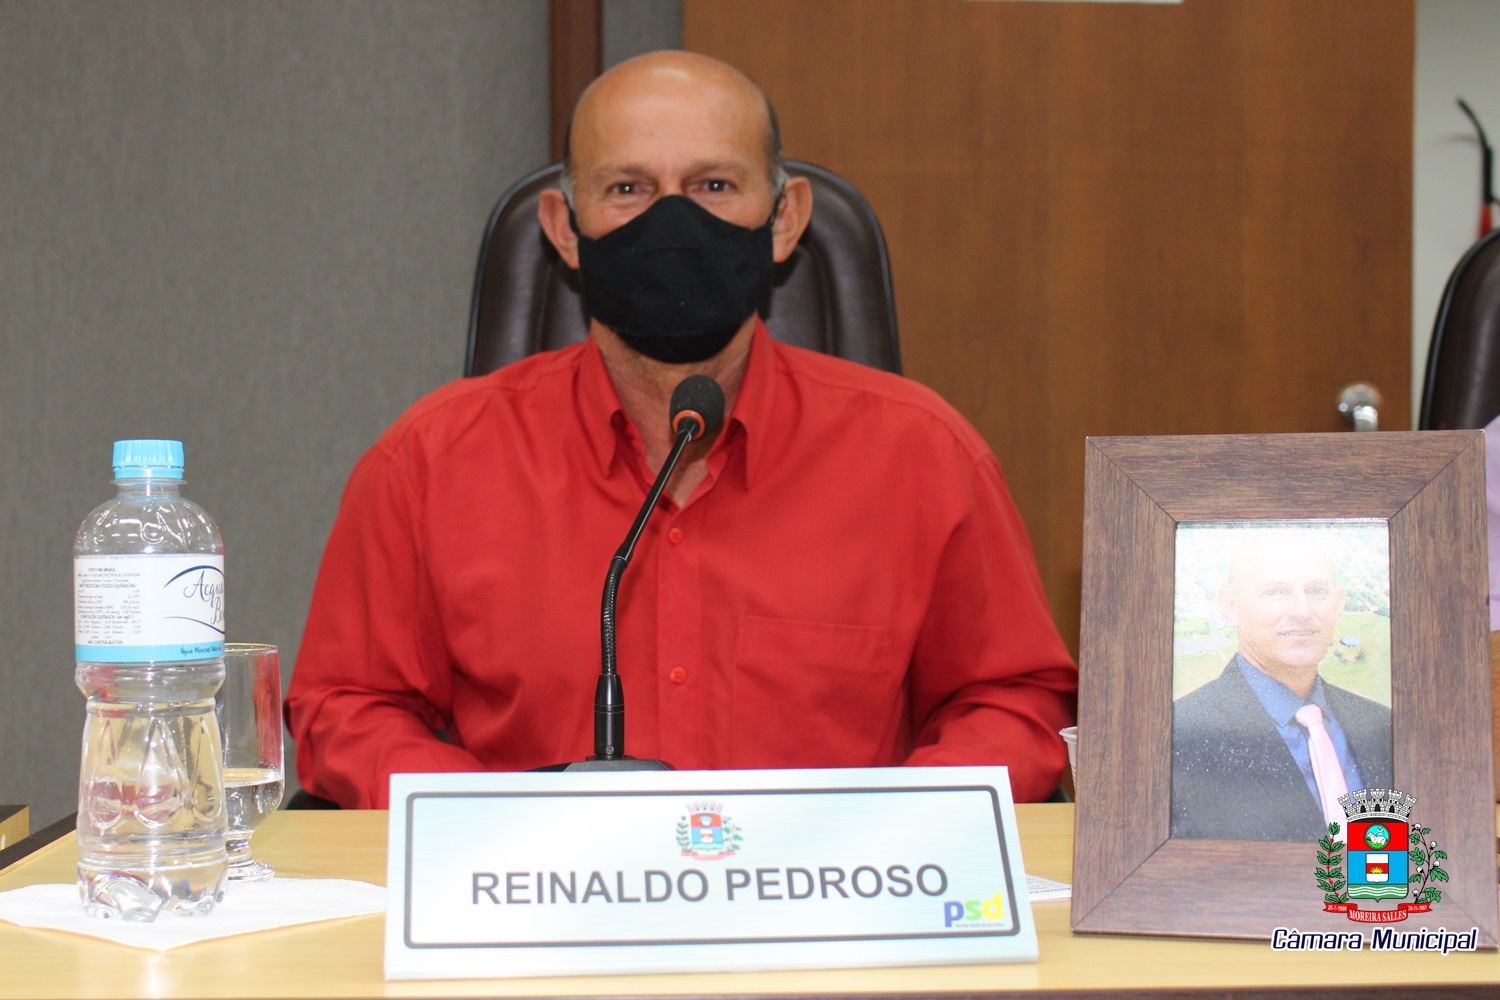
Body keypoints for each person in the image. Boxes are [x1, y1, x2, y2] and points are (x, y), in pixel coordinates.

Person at [285, 51, 1077, 809]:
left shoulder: (920, 455)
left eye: (714, 185)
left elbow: (1015, 701)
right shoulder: (431, 462)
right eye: (627, 188)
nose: (672, 220)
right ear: (564, 228)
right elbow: (347, 707)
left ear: (785, 219)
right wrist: (487, 820)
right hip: (543, 892)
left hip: (826, 895)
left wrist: (899, 825)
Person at [1171, 531, 1392, 841]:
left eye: (1317, 590)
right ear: (1230, 607)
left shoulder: (1383, 726)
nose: (1302, 611)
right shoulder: (1179, 734)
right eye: (1275, 591)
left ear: (1338, 603)